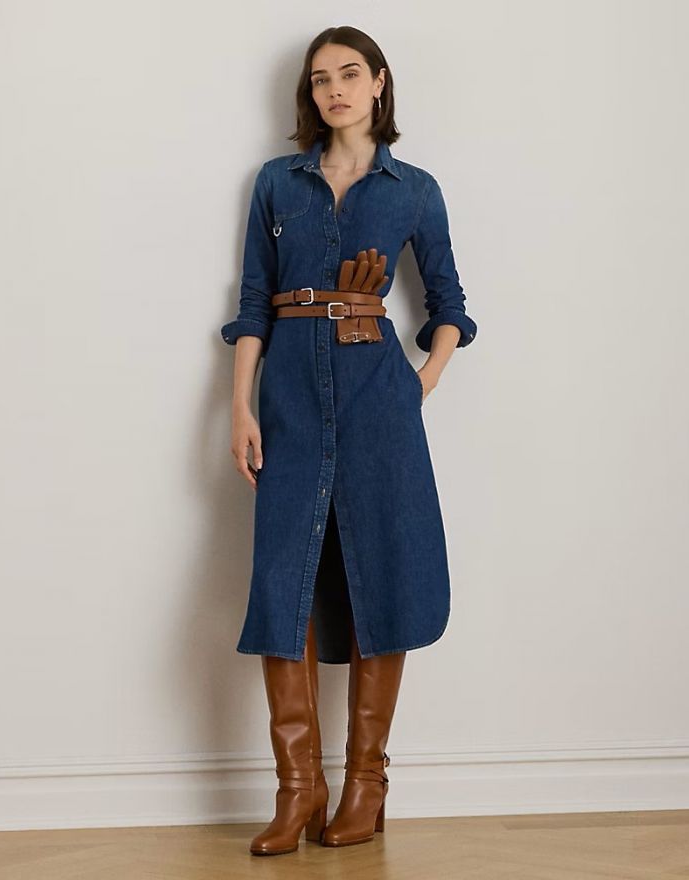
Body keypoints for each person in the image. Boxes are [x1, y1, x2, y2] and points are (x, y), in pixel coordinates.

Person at [221, 25, 478, 856]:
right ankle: (299, 789)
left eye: (349, 74)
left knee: (384, 574)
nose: (334, 89)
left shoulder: (415, 189)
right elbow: (253, 301)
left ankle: (367, 785)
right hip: (290, 402)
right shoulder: (277, 183)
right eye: (320, 78)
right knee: (283, 583)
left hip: (378, 404)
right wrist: (240, 407)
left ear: (378, 83)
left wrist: (420, 382)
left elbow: (449, 303)